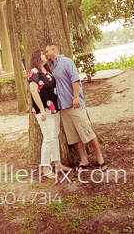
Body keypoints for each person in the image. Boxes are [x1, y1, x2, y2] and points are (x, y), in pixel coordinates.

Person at [45, 43, 107, 174]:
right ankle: (84, 160)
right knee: (76, 137)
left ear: (54, 49)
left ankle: (100, 158)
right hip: (63, 108)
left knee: (87, 132)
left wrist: (75, 98)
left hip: (75, 105)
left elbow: (75, 80)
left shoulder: (67, 62)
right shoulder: (52, 67)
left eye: (47, 51)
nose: (46, 54)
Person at [28, 49, 69, 179]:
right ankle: (45, 167)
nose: (45, 55)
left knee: (55, 135)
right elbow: (34, 92)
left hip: (54, 109)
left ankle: (57, 163)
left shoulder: (48, 71)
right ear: (36, 57)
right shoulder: (34, 72)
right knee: (48, 138)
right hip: (44, 111)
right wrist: (41, 109)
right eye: (42, 54)